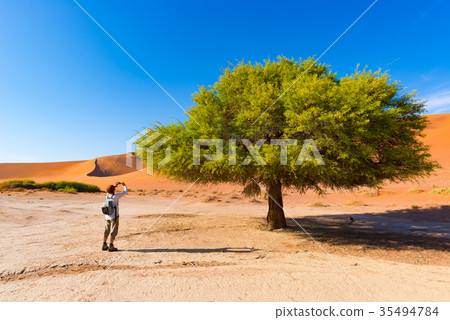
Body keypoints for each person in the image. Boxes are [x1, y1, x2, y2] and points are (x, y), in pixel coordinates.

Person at [102, 182, 128, 251]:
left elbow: (110, 191)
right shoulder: (115, 197)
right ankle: (111, 246)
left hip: (107, 216)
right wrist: (124, 185)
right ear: (113, 190)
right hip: (114, 216)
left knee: (106, 230)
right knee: (113, 231)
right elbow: (125, 192)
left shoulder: (107, 195)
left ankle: (104, 244)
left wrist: (115, 186)